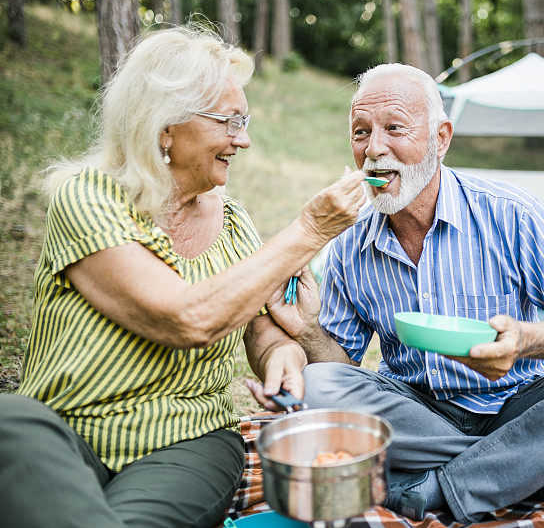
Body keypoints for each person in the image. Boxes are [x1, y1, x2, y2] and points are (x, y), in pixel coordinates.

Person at [258, 63, 544, 524]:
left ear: (441, 139)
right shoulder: (350, 242)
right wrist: (307, 329)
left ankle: (440, 488)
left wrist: (527, 341)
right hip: (416, 414)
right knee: (315, 387)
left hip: (521, 408)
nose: (374, 149)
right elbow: (341, 370)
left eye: (395, 128)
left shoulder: (512, 213)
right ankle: (541, 472)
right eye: (360, 132)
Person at [0, 27, 365, 528]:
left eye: (245, 119)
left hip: (187, 442)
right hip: (66, 428)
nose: (245, 138)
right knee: (8, 421)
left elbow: (260, 326)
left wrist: (282, 355)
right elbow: (185, 318)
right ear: (165, 127)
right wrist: (309, 230)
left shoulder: (233, 221)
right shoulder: (88, 198)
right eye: (229, 121)